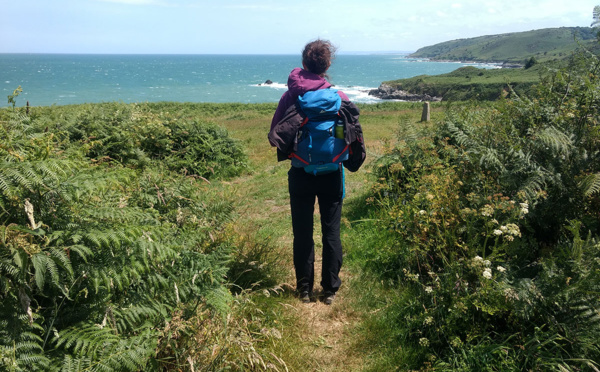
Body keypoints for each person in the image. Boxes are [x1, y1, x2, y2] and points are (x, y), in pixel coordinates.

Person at [268, 39, 365, 305]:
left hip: (301, 173)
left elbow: (277, 133)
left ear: (303, 64)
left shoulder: (291, 96)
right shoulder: (339, 97)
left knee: (302, 232)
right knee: (331, 232)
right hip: (332, 173)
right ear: (327, 64)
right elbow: (353, 132)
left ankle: (304, 290)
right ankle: (330, 289)